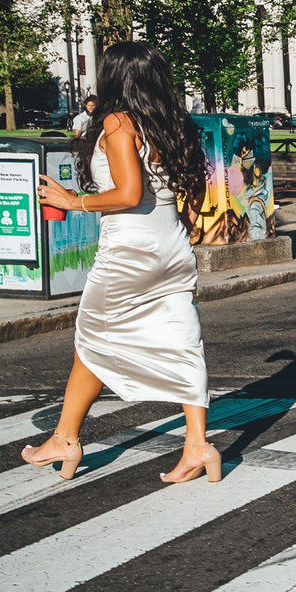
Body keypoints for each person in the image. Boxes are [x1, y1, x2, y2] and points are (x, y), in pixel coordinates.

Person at [21, 41, 220, 484]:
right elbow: (198, 189)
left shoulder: (117, 122)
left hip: (129, 251)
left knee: (92, 337)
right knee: (183, 339)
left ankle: (66, 439)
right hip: (171, 247)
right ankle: (197, 446)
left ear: (114, 77)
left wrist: (73, 202)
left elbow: (129, 194)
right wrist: (177, 229)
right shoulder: (174, 123)